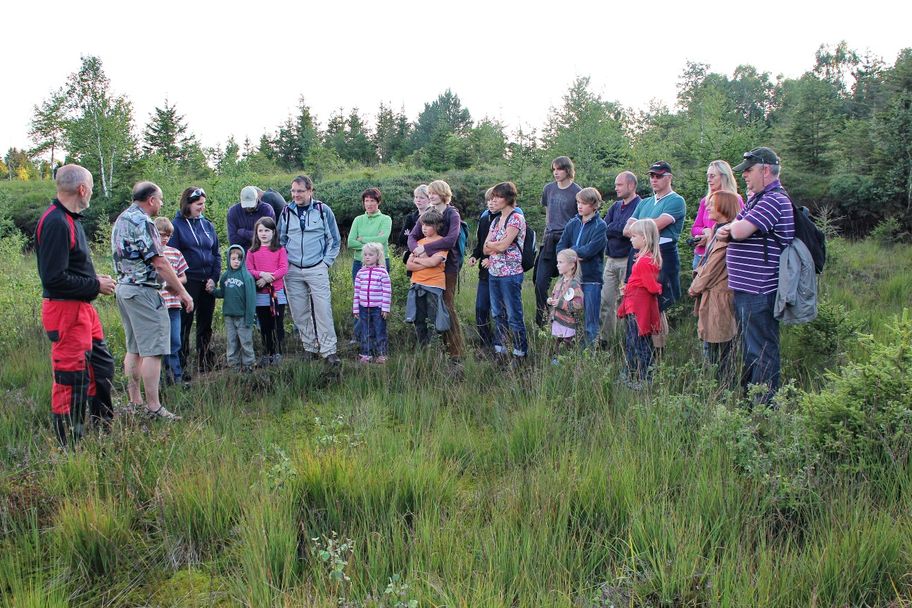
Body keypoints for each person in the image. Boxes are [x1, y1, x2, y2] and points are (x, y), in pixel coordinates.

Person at [35, 164, 117, 447]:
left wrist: (93, 279)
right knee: (71, 379)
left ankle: (103, 431)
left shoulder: (70, 219)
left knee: (101, 368)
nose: (91, 193)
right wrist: (96, 286)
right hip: (65, 311)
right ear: (82, 189)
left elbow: (67, 268)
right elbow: (53, 278)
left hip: (83, 310)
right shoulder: (56, 221)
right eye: (91, 188)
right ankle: (70, 445)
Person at [717, 147, 794, 405]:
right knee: (751, 349)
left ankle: (764, 407)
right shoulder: (756, 199)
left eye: (749, 170)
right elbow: (733, 226)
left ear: (766, 170)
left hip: (760, 290)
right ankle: (754, 401)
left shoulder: (774, 199)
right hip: (747, 290)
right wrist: (732, 228)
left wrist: (731, 229)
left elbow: (737, 231)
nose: (745, 175)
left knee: (762, 349)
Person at [112, 182, 194, 421]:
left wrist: (168, 285)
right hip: (143, 293)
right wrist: (182, 292)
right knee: (154, 350)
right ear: (150, 200)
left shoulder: (122, 220)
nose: (161, 204)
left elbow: (138, 261)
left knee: (134, 349)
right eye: (160, 199)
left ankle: (135, 402)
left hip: (125, 288)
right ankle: (154, 407)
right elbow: (159, 262)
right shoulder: (143, 222)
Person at [277, 175, 342, 365]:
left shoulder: (323, 210)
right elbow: (281, 241)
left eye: (300, 191)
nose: (296, 195)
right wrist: (285, 264)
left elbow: (334, 240)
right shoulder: (286, 212)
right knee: (299, 312)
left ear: (310, 191)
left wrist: (326, 263)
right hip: (293, 270)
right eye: (293, 191)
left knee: (323, 310)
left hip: (317, 268)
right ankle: (310, 347)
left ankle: (329, 351)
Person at [407, 180, 464, 362]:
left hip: (448, 266)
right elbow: (413, 236)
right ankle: (436, 348)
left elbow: (451, 240)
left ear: (444, 194)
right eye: (430, 193)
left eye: (435, 193)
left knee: (447, 306)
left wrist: (426, 249)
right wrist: (416, 248)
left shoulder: (452, 214)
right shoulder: (429, 213)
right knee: (429, 309)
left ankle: (456, 352)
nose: (431, 196)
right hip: (427, 267)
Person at [688, 191, 741, 386]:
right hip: (713, 294)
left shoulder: (726, 235)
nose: (707, 207)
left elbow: (712, 268)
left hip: (719, 296)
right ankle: (716, 384)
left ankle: (722, 387)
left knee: (721, 343)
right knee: (712, 342)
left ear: (724, 207)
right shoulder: (718, 231)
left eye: (712, 204)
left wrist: (694, 287)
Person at [169, 186, 220, 378]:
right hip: (188, 281)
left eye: (204, 204)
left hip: (207, 281)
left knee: (205, 323)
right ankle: (180, 366)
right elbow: (172, 257)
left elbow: (216, 253)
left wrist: (214, 278)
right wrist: (179, 282)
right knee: (184, 323)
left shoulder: (208, 225)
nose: (202, 208)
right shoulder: (177, 226)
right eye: (199, 204)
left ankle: (205, 359)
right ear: (188, 204)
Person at [556, 187, 608, 346]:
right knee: (567, 317)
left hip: (590, 278)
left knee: (590, 321)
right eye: (578, 202)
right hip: (571, 279)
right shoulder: (573, 223)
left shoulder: (600, 225)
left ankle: (588, 355)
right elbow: (560, 247)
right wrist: (573, 256)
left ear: (594, 205)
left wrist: (570, 255)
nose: (580, 206)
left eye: (584, 203)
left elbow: (590, 251)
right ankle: (568, 351)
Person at [483, 181, 528, 363]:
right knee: (497, 314)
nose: (494, 200)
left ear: (507, 198)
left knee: (514, 315)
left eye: (497, 197)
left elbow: (501, 246)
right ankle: (500, 350)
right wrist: (495, 246)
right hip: (494, 272)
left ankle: (520, 353)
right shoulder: (496, 220)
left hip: (510, 273)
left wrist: (495, 246)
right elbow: (485, 248)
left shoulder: (516, 218)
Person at [535, 156, 582, 326]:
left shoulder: (577, 191)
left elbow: (579, 219)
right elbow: (548, 212)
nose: (556, 172)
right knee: (539, 282)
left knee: (568, 283)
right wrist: (547, 230)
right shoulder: (549, 189)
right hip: (549, 239)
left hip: (567, 240)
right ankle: (542, 320)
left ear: (567, 170)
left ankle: (566, 322)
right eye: (554, 169)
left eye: (559, 169)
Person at [617, 219, 663, 389]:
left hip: (639, 309)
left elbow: (651, 286)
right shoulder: (642, 258)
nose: (631, 239)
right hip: (634, 305)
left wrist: (657, 288)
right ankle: (631, 373)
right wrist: (629, 287)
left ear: (645, 238)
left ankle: (645, 378)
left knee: (639, 343)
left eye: (634, 236)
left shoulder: (645, 261)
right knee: (633, 341)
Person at [599, 171, 641, 342]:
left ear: (631, 185)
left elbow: (632, 231)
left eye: (619, 185)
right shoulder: (615, 206)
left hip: (628, 260)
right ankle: (606, 340)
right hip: (610, 259)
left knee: (626, 303)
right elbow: (604, 227)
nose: (616, 188)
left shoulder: (640, 205)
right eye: (616, 184)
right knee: (605, 301)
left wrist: (619, 229)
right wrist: (620, 228)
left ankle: (626, 342)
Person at [348, 187, 392, 342]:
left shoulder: (385, 219)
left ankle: (377, 337)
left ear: (378, 202)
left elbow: (383, 239)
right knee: (361, 297)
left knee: (378, 298)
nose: (369, 204)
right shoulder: (358, 220)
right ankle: (358, 336)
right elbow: (350, 242)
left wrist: (362, 239)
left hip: (381, 263)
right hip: (360, 263)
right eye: (366, 201)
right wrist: (372, 241)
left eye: (372, 200)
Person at [246, 216, 289, 365]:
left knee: (277, 324)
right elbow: (249, 269)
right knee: (264, 325)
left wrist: (268, 278)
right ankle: (267, 352)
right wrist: (260, 274)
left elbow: (283, 268)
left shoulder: (279, 249)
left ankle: (278, 352)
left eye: (267, 230)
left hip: (277, 294)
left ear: (273, 232)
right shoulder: (252, 251)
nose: (263, 233)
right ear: (256, 233)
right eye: (260, 230)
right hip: (260, 295)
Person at [405, 209, 450, 347]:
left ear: (437, 226)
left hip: (434, 286)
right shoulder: (418, 243)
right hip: (416, 284)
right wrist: (426, 262)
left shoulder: (441, 243)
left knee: (433, 318)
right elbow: (409, 265)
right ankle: (422, 347)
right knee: (418, 318)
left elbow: (434, 262)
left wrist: (420, 261)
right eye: (422, 225)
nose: (424, 228)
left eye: (428, 225)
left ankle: (434, 348)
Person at [154, 217, 189, 386]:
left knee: (175, 341)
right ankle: (158, 380)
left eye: (168, 235)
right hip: (155, 306)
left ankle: (176, 377)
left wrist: (172, 281)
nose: (165, 239)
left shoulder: (175, 253)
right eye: (161, 235)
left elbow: (183, 277)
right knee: (158, 344)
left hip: (173, 305)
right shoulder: (150, 253)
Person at [690, 161, 743, 268]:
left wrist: (714, 235)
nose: (709, 179)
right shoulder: (705, 201)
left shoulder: (735, 200)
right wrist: (704, 232)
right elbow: (695, 228)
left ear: (724, 177)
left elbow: (739, 227)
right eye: (708, 176)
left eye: (712, 176)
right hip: (701, 255)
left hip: (722, 255)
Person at [214, 245, 257, 371]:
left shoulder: (247, 277)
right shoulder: (225, 276)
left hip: (243, 316)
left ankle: (249, 365)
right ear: (228, 259)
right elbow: (222, 293)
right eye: (233, 259)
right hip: (229, 316)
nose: (236, 261)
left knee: (246, 341)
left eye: (239, 259)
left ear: (243, 260)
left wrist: (250, 317)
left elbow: (251, 298)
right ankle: (234, 365)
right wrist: (212, 291)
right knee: (231, 342)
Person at [467, 187, 498, 348]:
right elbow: (481, 243)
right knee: (481, 308)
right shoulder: (485, 217)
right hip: (484, 272)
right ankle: (485, 343)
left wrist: (492, 258)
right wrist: (474, 256)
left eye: (494, 200)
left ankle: (501, 343)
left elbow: (511, 247)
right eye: (488, 200)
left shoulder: (510, 218)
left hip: (501, 271)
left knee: (499, 311)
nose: (491, 203)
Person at [352, 242, 392, 364]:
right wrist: (356, 309)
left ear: (378, 256)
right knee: (366, 331)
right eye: (365, 255)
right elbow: (357, 292)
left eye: (370, 254)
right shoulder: (360, 273)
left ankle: (382, 354)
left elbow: (387, 291)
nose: (367, 257)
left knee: (380, 330)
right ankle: (366, 354)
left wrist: (385, 308)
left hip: (378, 308)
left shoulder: (382, 273)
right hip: (364, 307)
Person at [547, 248, 584, 364]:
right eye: (557, 262)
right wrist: (551, 300)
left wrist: (560, 303)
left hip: (567, 323)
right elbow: (555, 296)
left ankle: (568, 365)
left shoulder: (574, 284)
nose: (557, 265)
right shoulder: (560, 281)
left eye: (561, 262)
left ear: (572, 265)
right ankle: (556, 364)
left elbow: (578, 305)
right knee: (556, 344)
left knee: (567, 346)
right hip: (556, 320)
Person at [399, 184, 430, 271]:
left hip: (428, 257)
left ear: (429, 199)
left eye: (422, 198)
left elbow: (429, 238)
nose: (418, 200)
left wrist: (410, 235)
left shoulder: (433, 216)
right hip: (412, 258)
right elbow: (402, 239)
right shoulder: (410, 217)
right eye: (416, 197)